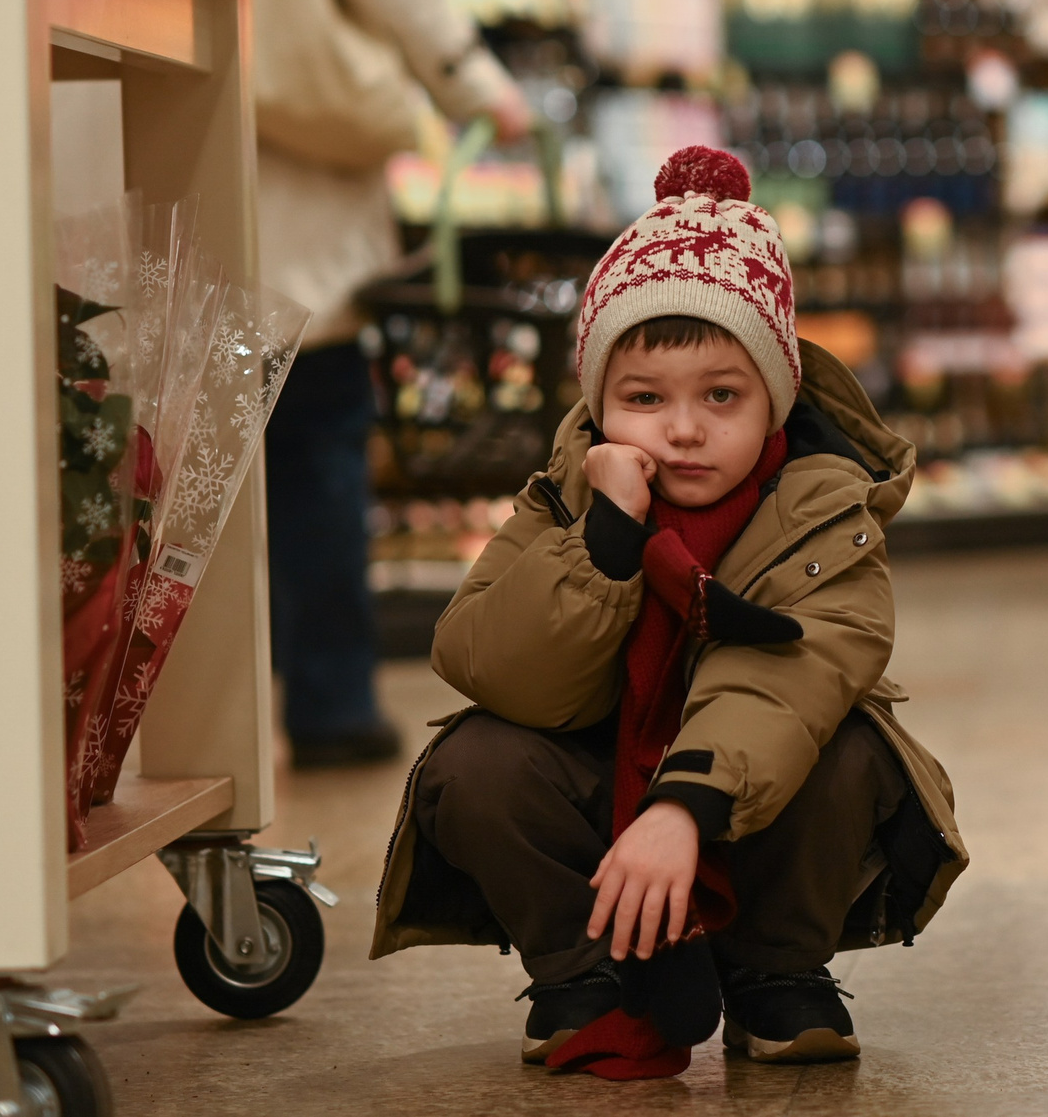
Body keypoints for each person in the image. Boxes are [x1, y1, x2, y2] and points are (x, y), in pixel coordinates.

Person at [368, 145, 968, 1079]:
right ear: (600, 402)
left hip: (742, 802)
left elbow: (792, 672)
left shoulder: (825, 507)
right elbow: (486, 660)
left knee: (850, 751)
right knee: (475, 761)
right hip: (601, 799)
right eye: (644, 398)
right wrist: (606, 542)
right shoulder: (567, 497)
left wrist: (686, 803)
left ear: (776, 395)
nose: (682, 429)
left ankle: (774, 968)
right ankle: (586, 976)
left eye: (720, 396)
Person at [215, 0, 532, 766]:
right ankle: (331, 701)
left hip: (109, 105)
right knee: (313, 434)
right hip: (290, 131)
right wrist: (467, 76)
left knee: (155, 447)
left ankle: (163, 719)